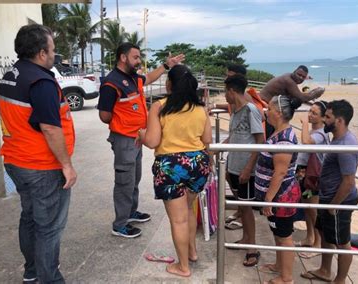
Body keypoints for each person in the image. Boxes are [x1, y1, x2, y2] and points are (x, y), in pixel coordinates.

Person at [0, 24, 77, 283]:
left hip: (16, 161)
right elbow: (50, 128)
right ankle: (49, 278)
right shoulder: (41, 81)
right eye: (53, 49)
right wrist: (66, 165)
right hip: (41, 166)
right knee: (49, 226)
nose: (55, 54)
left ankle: (32, 272)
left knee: (30, 218)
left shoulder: (12, 74)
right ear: (42, 53)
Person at [97, 43, 184, 238]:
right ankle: (119, 224)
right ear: (123, 57)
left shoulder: (132, 77)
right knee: (124, 182)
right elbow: (104, 115)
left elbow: (149, 78)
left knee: (133, 178)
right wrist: (122, 123)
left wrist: (166, 65)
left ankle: (130, 212)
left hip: (136, 138)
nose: (139, 61)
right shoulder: (112, 82)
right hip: (124, 139)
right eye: (135, 57)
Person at [137, 65, 212, 277]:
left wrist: (141, 134)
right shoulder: (200, 108)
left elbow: (152, 141)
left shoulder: (160, 107)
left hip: (171, 166)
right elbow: (207, 139)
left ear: (169, 83)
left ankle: (183, 266)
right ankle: (192, 252)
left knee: (178, 219)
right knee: (187, 210)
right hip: (198, 163)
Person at [301, 100, 358, 284]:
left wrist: (334, 206)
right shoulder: (336, 137)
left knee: (342, 243)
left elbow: (349, 181)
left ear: (340, 121)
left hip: (339, 201)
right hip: (328, 198)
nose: (324, 120)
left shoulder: (346, 145)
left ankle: (340, 279)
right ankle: (325, 270)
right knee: (326, 235)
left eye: (328, 117)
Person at [255, 95, 302, 284]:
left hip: (281, 195)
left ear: (280, 113)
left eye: (270, 109)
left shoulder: (285, 139)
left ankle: (286, 277)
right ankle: (278, 265)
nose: (267, 112)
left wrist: (269, 199)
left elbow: (280, 173)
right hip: (276, 195)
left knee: (285, 236)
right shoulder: (277, 132)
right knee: (277, 232)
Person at [224, 74, 265, 267]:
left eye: (225, 91)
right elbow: (233, 137)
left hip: (245, 169)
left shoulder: (251, 110)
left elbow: (260, 142)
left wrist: (249, 168)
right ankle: (245, 239)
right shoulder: (235, 111)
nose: (225, 95)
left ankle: (253, 248)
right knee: (242, 206)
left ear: (232, 91)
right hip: (233, 165)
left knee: (247, 209)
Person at [294, 101, 330, 256]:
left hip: (313, 176)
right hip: (304, 172)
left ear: (323, 118)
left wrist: (304, 124)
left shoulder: (321, 134)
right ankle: (309, 237)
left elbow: (307, 142)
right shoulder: (316, 132)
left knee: (313, 209)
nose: (310, 114)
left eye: (314, 113)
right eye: (310, 111)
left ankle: (317, 244)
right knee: (307, 207)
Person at [259, 65, 324, 137]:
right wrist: (315, 93)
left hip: (267, 107)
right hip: (264, 107)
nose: (300, 78)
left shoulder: (289, 77)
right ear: (294, 72)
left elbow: (298, 96)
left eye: (303, 77)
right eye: (299, 74)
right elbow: (301, 97)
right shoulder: (288, 81)